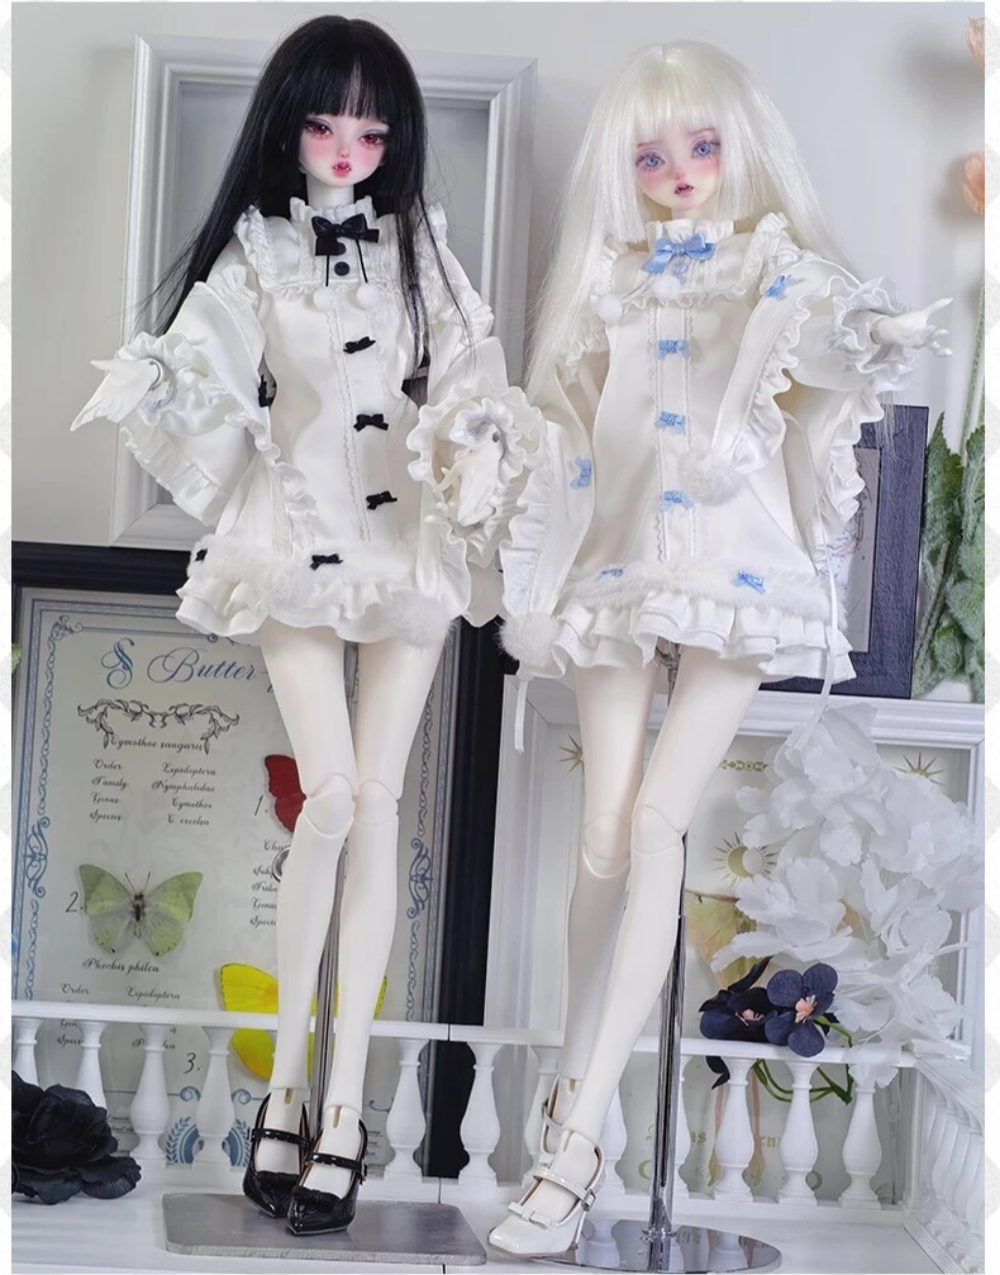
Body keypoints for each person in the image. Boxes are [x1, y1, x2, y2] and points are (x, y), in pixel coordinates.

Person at [72, 14, 540, 1236]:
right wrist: (167, 380)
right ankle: (283, 1087)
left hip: (408, 551)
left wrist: (479, 444)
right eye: (325, 124)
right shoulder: (255, 256)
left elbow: (474, 377)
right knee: (328, 799)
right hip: (290, 544)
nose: (345, 148)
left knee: (376, 805)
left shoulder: (422, 252)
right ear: (287, 128)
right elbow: (207, 371)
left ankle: (339, 1113)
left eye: (370, 131)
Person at [492, 40, 949, 1255]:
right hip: (614, 565)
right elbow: (565, 426)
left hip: (738, 574)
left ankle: (575, 1145)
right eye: (652, 157)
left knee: (656, 825)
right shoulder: (607, 278)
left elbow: (831, 362)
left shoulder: (776, 271)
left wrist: (859, 339)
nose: (680, 173)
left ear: (741, 149)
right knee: (602, 836)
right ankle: (573, 1079)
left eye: (701, 148)